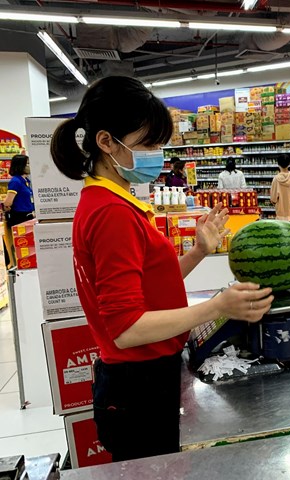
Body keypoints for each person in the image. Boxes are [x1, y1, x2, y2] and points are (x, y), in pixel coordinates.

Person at [49, 76, 273, 462]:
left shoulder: (111, 202)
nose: (158, 154)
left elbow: (147, 286)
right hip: (137, 387)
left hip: (140, 379)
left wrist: (199, 251)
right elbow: (126, 328)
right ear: (106, 142)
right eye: (147, 144)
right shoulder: (112, 214)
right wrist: (218, 307)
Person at [3, 154, 35, 227]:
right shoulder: (16, 181)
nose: (29, 166)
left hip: (28, 216)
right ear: (20, 165)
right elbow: (7, 202)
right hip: (19, 218)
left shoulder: (26, 180)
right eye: (27, 163)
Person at [270, 154, 290, 222]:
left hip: (280, 212)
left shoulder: (276, 179)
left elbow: (273, 198)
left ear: (278, 165)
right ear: (289, 164)